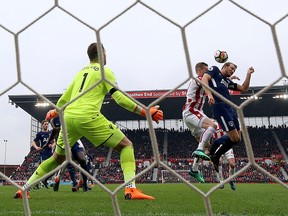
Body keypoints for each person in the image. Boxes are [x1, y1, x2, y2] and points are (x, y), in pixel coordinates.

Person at [14, 42, 163, 200]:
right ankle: (130, 189)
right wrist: (146, 112)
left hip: (68, 118)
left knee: (56, 159)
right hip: (88, 116)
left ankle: (24, 189)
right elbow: (120, 99)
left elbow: (64, 99)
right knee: (126, 146)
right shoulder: (106, 72)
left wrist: (55, 112)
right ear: (102, 53)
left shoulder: (80, 73)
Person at [201, 62, 254, 172]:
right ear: (224, 66)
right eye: (231, 68)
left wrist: (248, 74)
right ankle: (214, 153)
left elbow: (244, 88)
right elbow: (204, 79)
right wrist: (210, 95)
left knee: (237, 138)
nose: (233, 71)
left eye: (234, 70)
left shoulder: (227, 81)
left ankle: (215, 147)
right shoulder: (215, 71)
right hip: (220, 108)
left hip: (230, 109)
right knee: (234, 138)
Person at [182, 62, 217, 183]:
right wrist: (210, 95)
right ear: (199, 71)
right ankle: (200, 150)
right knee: (213, 125)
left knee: (208, 145)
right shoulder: (198, 79)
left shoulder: (203, 80)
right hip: (192, 111)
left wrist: (227, 80)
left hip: (191, 114)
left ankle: (194, 169)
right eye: (206, 70)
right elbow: (206, 85)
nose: (208, 73)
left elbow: (214, 84)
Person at [49, 116, 92, 192]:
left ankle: (61, 179)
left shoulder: (58, 120)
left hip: (70, 141)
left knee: (70, 162)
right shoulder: (60, 119)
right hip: (70, 141)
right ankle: (81, 184)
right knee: (80, 162)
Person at [30, 120, 55, 189]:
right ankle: (36, 183)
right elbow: (33, 142)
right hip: (43, 153)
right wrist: (36, 147)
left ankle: (44, 181)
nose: (46, 125)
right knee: (42, 169)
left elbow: (54, 141)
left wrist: (52, 145)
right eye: (45, 124)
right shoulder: (40, 134)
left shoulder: (50, 133)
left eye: (47, 124)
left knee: (52, 169)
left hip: (50, 153)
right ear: (42, 125)